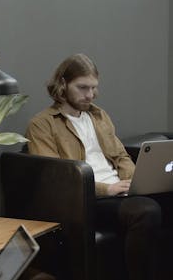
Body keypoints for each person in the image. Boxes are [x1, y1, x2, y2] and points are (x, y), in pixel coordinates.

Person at [25, 53, 161, 280]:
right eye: (82, 88)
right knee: (146, 211)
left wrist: (138, 181)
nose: (90, 95)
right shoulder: (42, 124)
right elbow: (58, 178)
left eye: (94, 88)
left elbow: (120, 156)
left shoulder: (99, 116)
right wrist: (106, 189)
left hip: (120, 191)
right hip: (87, 199)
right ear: (63, 84)